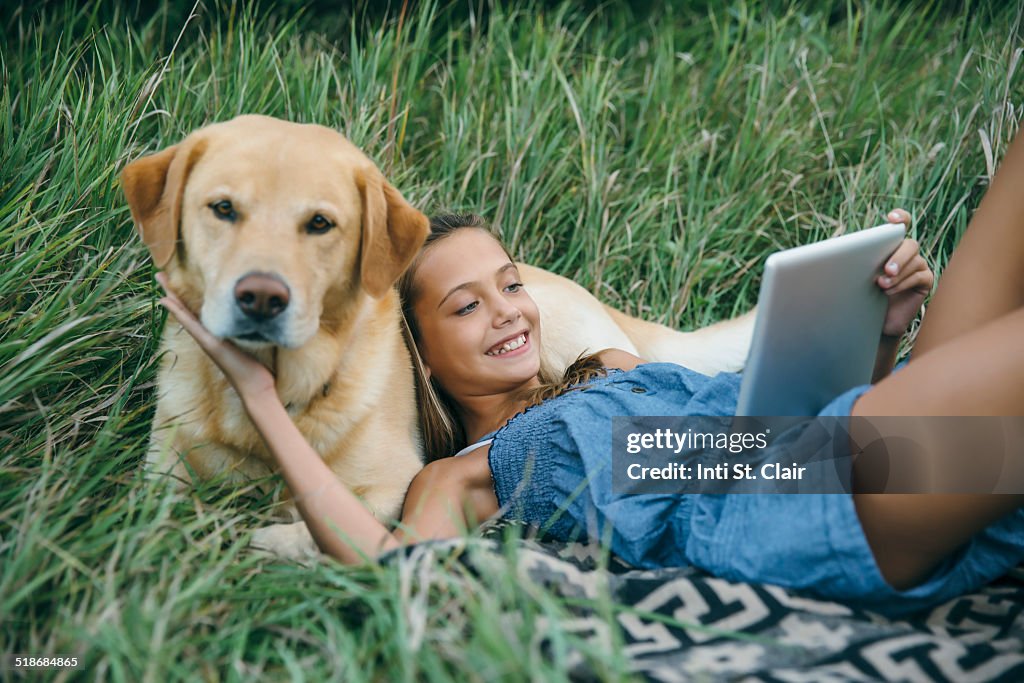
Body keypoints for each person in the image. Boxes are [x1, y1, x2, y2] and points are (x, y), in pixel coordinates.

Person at [156, 134, 1024, 616]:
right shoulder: (467, 474)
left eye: (511, 285)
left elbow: (775, 422)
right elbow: (379, 557)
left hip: (839, 445)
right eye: (465, 307)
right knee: (968, 446)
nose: (508, 311)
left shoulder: (608, 368)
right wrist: (263, 397)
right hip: (810, 502)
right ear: (416, 354)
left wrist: (880, 334)